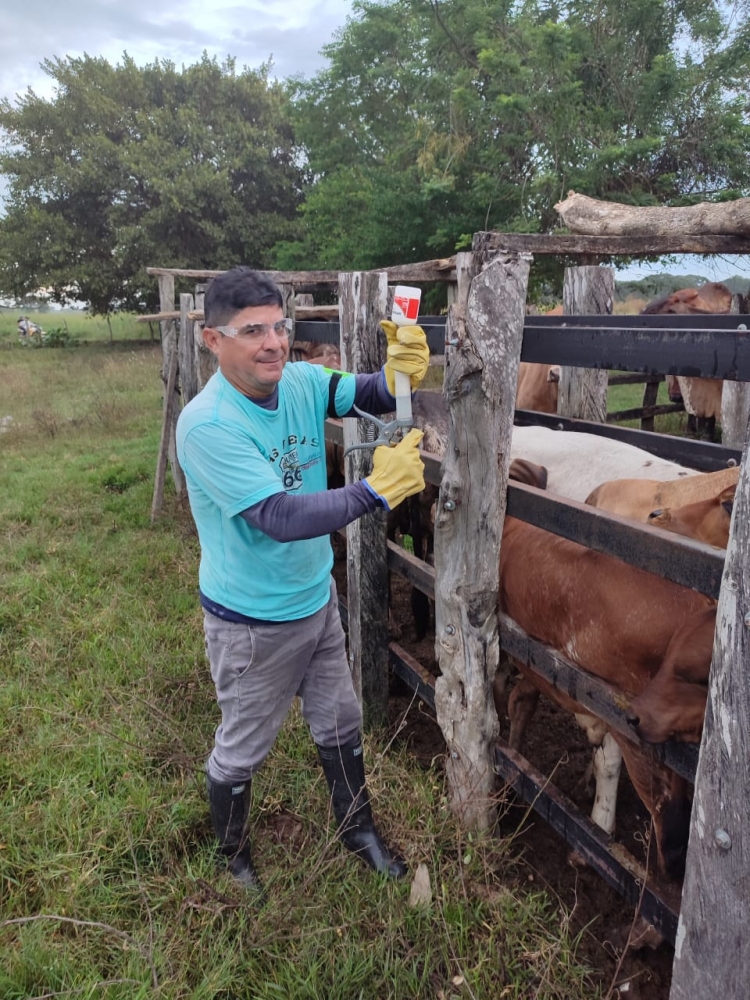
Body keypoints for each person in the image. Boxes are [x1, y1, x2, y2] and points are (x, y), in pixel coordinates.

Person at [176, 266, 430, 893]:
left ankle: (358, 830)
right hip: (253, 619)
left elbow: (371, 393)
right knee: (243, 745)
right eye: (252, 330)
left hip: (316, 599)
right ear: (213, 341)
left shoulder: (303, 381)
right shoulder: (208, 425)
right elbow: (280, 517)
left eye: (280, 326)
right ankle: (232, 856)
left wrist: (403, 370)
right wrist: (375, 490)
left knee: (340, 719)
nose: (274, 342)